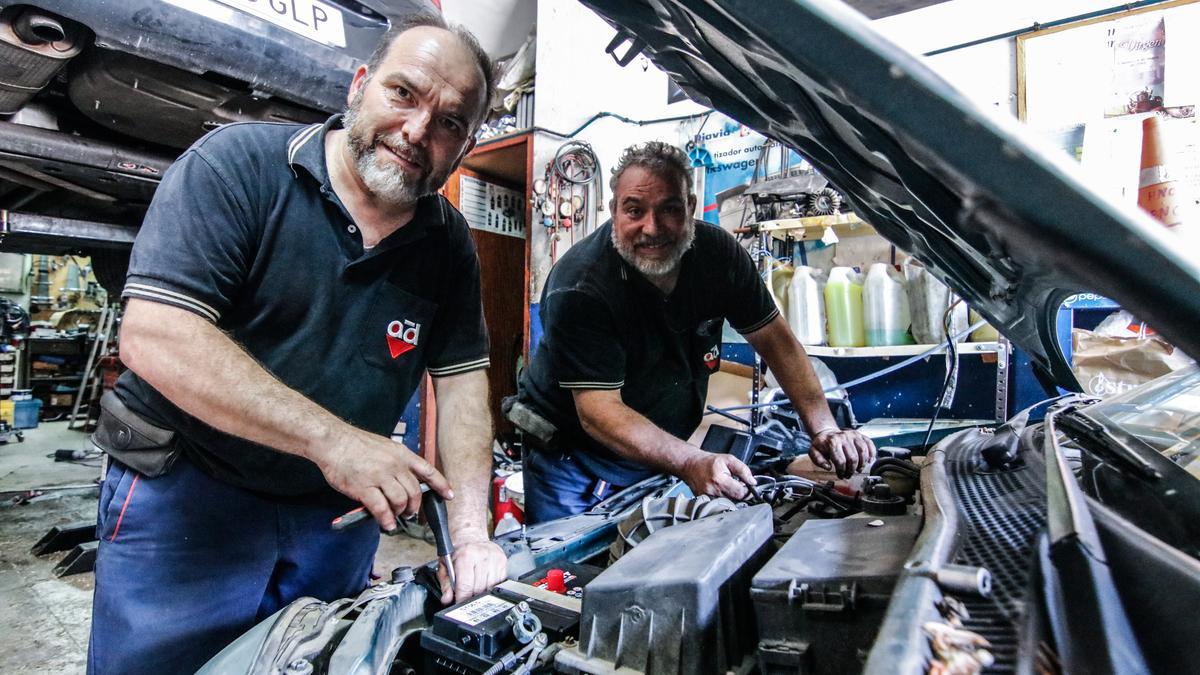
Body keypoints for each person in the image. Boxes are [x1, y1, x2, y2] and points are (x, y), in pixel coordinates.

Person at [87, 14, 507, 674]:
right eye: (404, 93)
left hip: (332, 521)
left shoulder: (448, 243)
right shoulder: (238, 168)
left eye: (451, 121)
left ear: (466, 143)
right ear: (359, 86)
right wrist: (336, 441)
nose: (420, 130)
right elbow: (156, 337)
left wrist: (472, 533)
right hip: (190, 501)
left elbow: (459, 387)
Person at [515, 141, 876, 523]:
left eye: (669, 209)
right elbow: (599, 412)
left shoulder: (718, 256)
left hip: (656, 451)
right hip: (574, 463)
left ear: (690, 207)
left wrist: (823, 427)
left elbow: (776, 342)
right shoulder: (581, 286)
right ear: (613, 210)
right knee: (569, 577)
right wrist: (690, 460)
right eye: (634, 210)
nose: (651, 229)